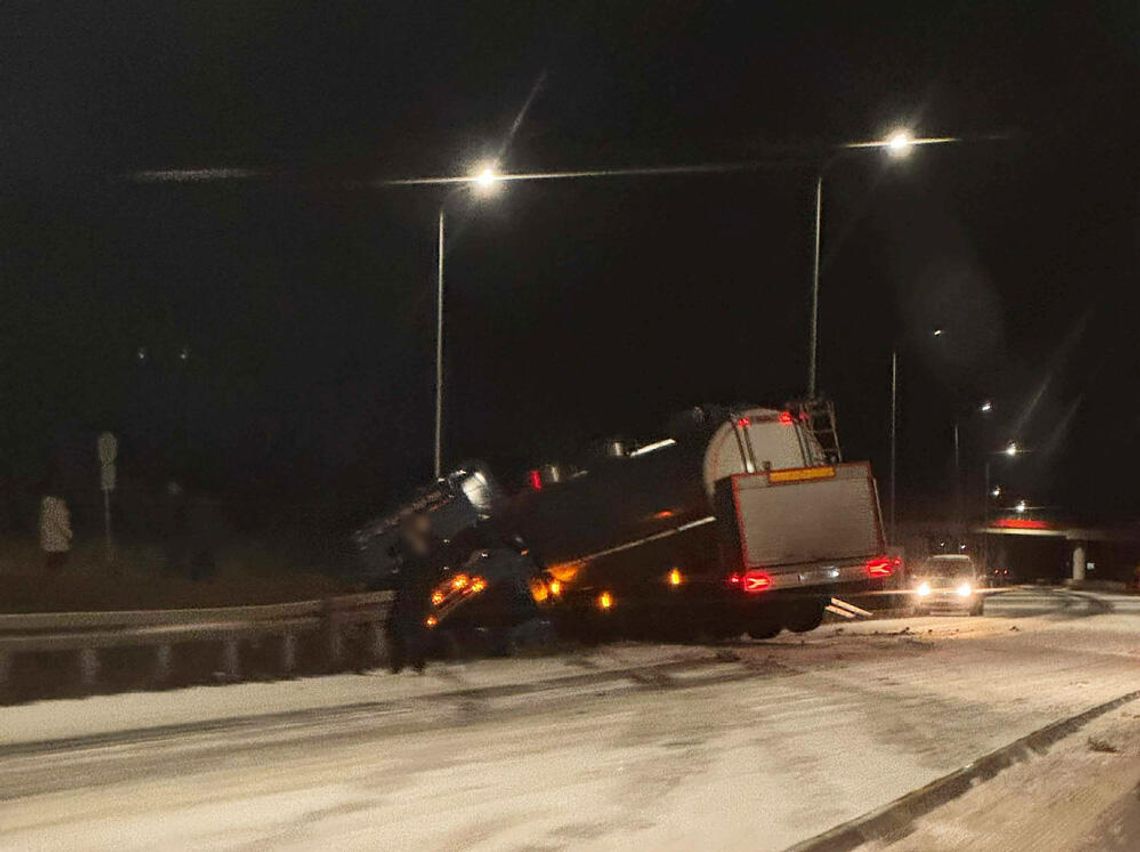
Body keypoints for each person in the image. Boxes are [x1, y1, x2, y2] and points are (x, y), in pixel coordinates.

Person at [387, 513, 438, 674]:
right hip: (410, 589)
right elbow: (391, 552)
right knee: (399, 627)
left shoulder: (428, 541)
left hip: (416, 590)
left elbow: (430, 560)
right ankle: (404, 663)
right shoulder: (408, 541)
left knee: (413, 627)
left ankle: (414, 663)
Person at [39, 481, 73, 572]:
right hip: (58, 540)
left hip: (50, 539)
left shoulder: (47, 508)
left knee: (52, 561)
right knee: (58, 561)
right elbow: (61, 523)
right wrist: (69, 534)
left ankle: (49, 578)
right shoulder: (58, 507)